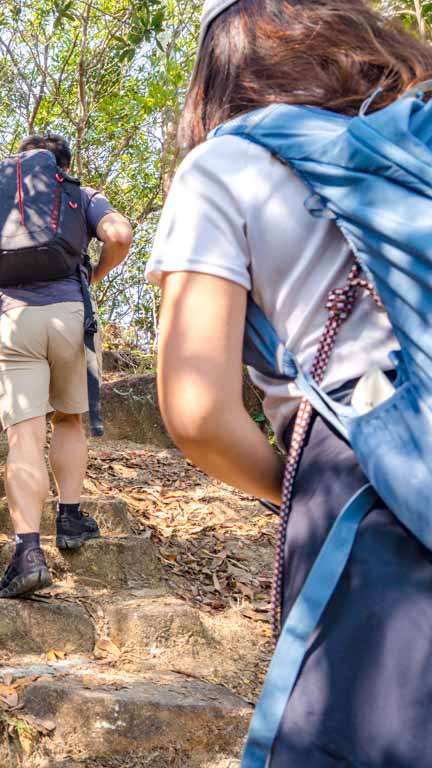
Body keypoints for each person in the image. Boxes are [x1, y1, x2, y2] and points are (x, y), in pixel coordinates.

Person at [147, 0, 432, 764]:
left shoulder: (226, 163)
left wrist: (295, 487)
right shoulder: (417, 129)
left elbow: (197, 408)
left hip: (361, 484)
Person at [0, 133, 133, 598]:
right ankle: (70, 518)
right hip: (70, 316)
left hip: (11, 320)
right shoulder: (79, 194)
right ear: (62, 165)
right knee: (68, 419)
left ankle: (28, 553)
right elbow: (120, 235)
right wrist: (90, 273)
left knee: (24, 434)